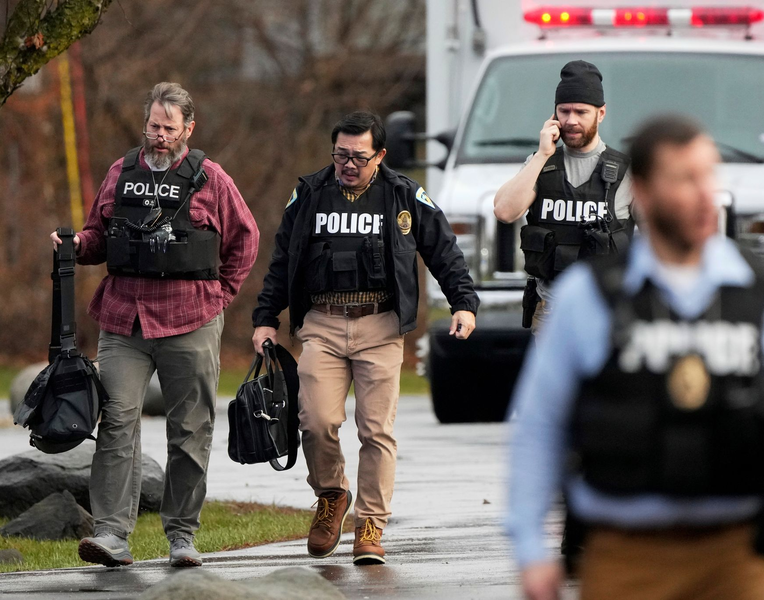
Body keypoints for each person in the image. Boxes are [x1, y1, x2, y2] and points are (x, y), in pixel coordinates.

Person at [507, 114, 764, 600]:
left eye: (709, 175)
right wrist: (529, 547)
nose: (706, 194)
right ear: (641, 191)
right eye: (685, 179)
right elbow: (542, 425)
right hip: (625, 555)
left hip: (740, 556)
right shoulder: (590, 297)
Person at [252, 111, 479, 565]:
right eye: (340, 155)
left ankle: (371, 522)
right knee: (316, 421)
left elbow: (442, 248)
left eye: (358, 156)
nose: (348, 164)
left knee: (376, 430)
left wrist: (463, 302)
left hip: (380, 325)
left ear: (380, 154)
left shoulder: (403, 194)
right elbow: (285, 257)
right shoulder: (310, 193)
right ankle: (332, 494)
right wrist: (265, 316)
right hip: (322, 322)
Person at [50, 82, 259, 568]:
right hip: (125, 318)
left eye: (169, 127)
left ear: (188, 127)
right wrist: (75, 245)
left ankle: (182, 536)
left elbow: (245, 241)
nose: (159, 135)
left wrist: (219, 296)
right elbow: (100, 235)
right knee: (117, 420)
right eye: (153, 125)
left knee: (189, 429)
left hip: (191, 318)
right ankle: (111, 535)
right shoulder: (121, 172)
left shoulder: (211, 178)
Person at [493, 60, 634, 335]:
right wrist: (542, 154)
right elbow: (504, 211)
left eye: (581, 111)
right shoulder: (540, 164)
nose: (571, 120)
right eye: (564, 111)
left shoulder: (627, 173)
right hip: (550, 312)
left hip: (607, 311)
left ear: (601, 113)